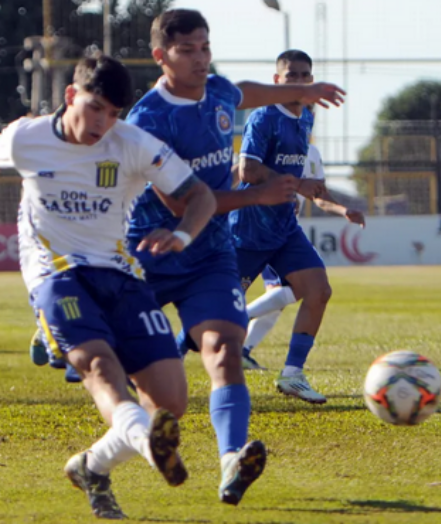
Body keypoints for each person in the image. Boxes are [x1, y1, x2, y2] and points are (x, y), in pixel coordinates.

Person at [0, 55, 218, 520]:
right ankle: (147, 446)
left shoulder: (134, 144)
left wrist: (181, 234)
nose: (102, 122)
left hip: (120, 273)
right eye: (95, 107)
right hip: (55, 275)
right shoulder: (28, 137)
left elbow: (201, 195)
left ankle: (92, 467)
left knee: (171, 403)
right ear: (70, 96)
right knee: (99, 365)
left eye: (113, 113)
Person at [122, 8, 345, 505]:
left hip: (211, 253)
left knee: (224, 348)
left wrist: (302, 92)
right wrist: (255, 197)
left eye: (205, 47)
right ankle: (95, 458)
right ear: (161, 57)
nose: (201, 58)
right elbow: (187, 204)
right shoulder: (148, 121)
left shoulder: (220, 92)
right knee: (154, 395)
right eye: (187, 50)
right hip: (154, 250)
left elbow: (245, 89)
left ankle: (231, 460)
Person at [230, 50, 344, 404]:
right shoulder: (264, 116)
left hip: (283, 228)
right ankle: (156, 365)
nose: (298, 80)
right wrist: (295, 186)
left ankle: (292, 374)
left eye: (304, 75)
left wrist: (304, 192)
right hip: (248, 230)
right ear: (276, 81)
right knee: (215, 315)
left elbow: (301, 176)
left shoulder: (306, 117)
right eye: (290, 75)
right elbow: (248, 170)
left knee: (318, 290)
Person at [238, 141, 365, 371]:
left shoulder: (311, 152)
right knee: (287, 291)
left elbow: (319, 195)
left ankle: (243, 349)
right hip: (252, 229)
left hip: (283, 233)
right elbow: (244, 173)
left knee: (282, 295)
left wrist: (344, 210)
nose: (308, 111)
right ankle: (238, 320)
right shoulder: (269, 136)